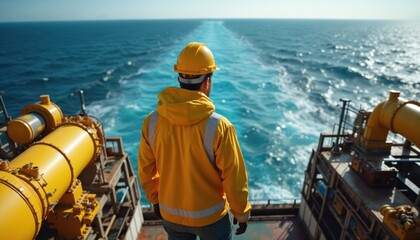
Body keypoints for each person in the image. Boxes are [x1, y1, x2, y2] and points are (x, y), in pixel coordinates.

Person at [138, 42, 251, 240]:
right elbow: (234, 177)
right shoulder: (220, 126)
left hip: (171, 215)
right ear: (207, 81)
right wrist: (241, 213)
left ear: (179, 76)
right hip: (212, 219)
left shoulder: (152, 121)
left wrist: (155, 200)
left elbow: (146, 170)